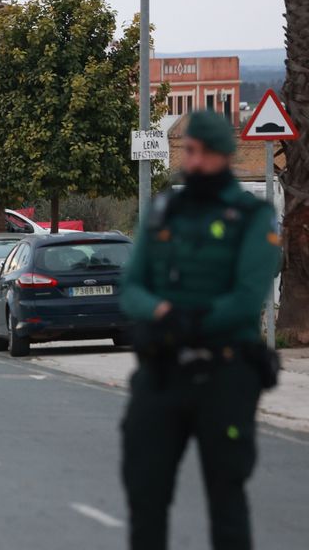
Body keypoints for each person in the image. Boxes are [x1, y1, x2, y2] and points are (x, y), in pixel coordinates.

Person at [119, 111, 281, 550]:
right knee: (145, 494)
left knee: (226, 498)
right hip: (163, 371)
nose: (191, 161)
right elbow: (131, 286)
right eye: (188, 150)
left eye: (201, 152)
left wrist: (190, 320)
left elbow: (247, 297)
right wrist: (163, 312)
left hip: (225, 374)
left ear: (223, 155)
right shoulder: (162, 211)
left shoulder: (252, 217)